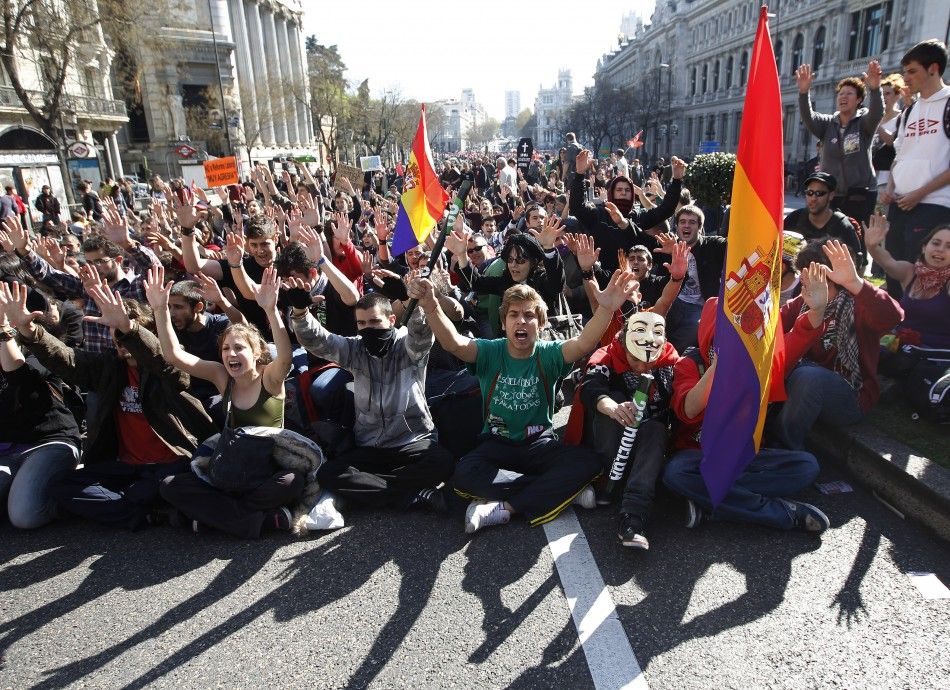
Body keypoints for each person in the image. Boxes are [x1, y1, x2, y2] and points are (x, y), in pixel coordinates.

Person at [418, 270, 638, 534]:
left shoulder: (550, 353)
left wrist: (605, 309)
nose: (521, 321)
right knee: (463, 475)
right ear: (503, 323)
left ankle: (505, 508)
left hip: (539, 445)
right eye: (514, 315)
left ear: (541, 323)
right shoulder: (490, 350)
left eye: (529, 315)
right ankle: (559, 490)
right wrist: (430, 306)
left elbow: (583, 343)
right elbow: (454, 344)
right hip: (496, 444)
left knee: (588, 463)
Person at [3, 281, 216, 529]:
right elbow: (68, 360)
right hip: (127, 466)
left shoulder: (170, 366)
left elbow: (161, 359)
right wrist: (29, 330)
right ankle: (150, 513)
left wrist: (129, 328)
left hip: (173, 462)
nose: (118, 340)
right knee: (63, 486)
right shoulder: (110, 366)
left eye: (123, 334)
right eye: (114, 334)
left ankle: (135, 504)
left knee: (158, 488)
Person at [147, 265, 303, 538]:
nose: (231, 354)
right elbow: (173, 356)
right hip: (228, 470)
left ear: (256, 354)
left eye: (239, 348)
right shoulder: (221, 376)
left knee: (292, 481)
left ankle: (217, 518)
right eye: (226, 348)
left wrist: (270, 309)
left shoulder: (270, 378)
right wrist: (160, 310)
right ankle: (260, 520)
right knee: (170, 486)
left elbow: (287, 357)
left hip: (263, 474)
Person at [661, 295, 831, 533]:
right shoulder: (688, 363)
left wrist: (817, 309)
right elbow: (688, 409)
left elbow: (794, 343)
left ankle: (713, 506)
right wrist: (718, 366)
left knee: (806, 466)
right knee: (675, 474)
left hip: (743, 458)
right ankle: (781, 513)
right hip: (699, 459)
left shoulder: (755, 364)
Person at [290, 289, 455, 513]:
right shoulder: (355, 348)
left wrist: (415, 302)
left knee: (442, 462)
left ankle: (375, 490)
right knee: (329, 473)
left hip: (412, 440)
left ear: (391, 320)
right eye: (362, 323)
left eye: (375, 321)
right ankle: (412, 495)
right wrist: (300, 312)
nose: (369, 329)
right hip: (371, 445)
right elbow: (320, 341)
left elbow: (422, 336)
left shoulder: (407, 346)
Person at [773, 238, 903, 451]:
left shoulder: (857, 303)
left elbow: (893, 316)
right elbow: (773, 327)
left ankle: (784, 451)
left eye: (811, 276)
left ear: (831, 278)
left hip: (850, 395)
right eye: (803, 276)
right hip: (804, 390)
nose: (803, 282)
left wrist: (856, 284)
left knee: (806, 375)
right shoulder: (804, 300)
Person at [573, 310, 681, 549]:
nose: (643, 367)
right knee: (614, 397)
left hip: (648, 446)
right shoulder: (607, 355)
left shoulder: (673, 360)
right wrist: (611, 407)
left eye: (649, 361)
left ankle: (634, 516)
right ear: (624, 344)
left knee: (655, 429)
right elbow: (590, 388)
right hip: (610, 441)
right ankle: (605, 479)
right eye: (635, 359)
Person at [0, 283, 81, 529]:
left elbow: (18, 373)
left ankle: (74, 487)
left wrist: (2, 331)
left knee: (25, 516)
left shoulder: (43, 349)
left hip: (49, 442)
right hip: (7, 446)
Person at [880, 39, 950, 298]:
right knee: (893, 270)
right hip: (900, 205)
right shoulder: (909, 111)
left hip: (933, 205)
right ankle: (895, 330)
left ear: (933, 68)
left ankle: (918, 331)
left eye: (912, 71)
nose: (905, 78)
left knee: (921, 276)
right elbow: (900, 156)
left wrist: (920, 193)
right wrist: (890, 188)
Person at [796, 59, 884, 226]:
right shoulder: (827, 124)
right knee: (829, 239)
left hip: (860, 194)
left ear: (858, 99)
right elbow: (809, 118)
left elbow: (877, 113)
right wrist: (803, 93)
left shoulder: (863, 123)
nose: (843, 97)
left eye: (849, 93)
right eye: (841, 93)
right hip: (831, 194)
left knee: (858, 239)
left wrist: (875, 89)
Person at [569, 149, 687, 270]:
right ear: (612, 193)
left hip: (634, 278)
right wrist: (579, 174)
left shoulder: (639, 216)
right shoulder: (599, 213)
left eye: (627, 190)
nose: (623, 193)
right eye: (619, 190)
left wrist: (677, 180)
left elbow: (666, 210)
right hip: (604, 277)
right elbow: (577, 207)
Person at [865, 218, 950, 350]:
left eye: (949, 246)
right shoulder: (910, 272)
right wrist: (872, 246)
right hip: (901, 349)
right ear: (924, 247)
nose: (940, 249)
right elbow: (888, 262)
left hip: (937, 358)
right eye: (936, 243)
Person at [656, 205, 728, 353]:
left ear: (700, 227)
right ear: (677, 226)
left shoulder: (713, 245)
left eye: (692, 222)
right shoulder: (667, 246)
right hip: (673, 302)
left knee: (690, 336)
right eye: (682, 222)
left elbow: (734, 244)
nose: (686, 225)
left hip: (700, 308)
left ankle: (671, 363)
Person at [783, 172, 864, 265]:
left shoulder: (843, 226)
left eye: (819, 193)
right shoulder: (794, 219)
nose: (813, 198)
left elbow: (856, 264)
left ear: (831, 195)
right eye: (809, 193)